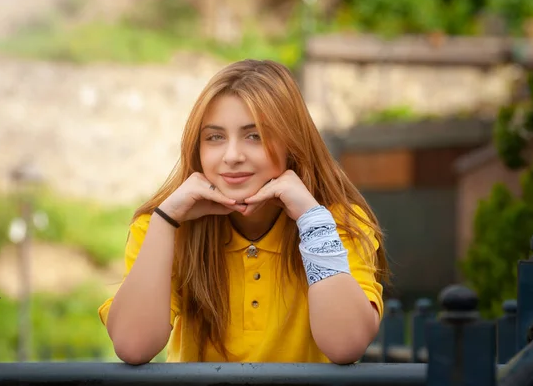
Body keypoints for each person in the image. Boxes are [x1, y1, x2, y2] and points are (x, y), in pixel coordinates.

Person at [98, 59, 388, 365]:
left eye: (255, 136)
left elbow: (346, 345)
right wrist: (165, 220)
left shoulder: (336, 223)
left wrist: (310, 219)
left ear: (292, 143)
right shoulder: (163, 227)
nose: (232, 156)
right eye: (215, 137)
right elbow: (133, 345)